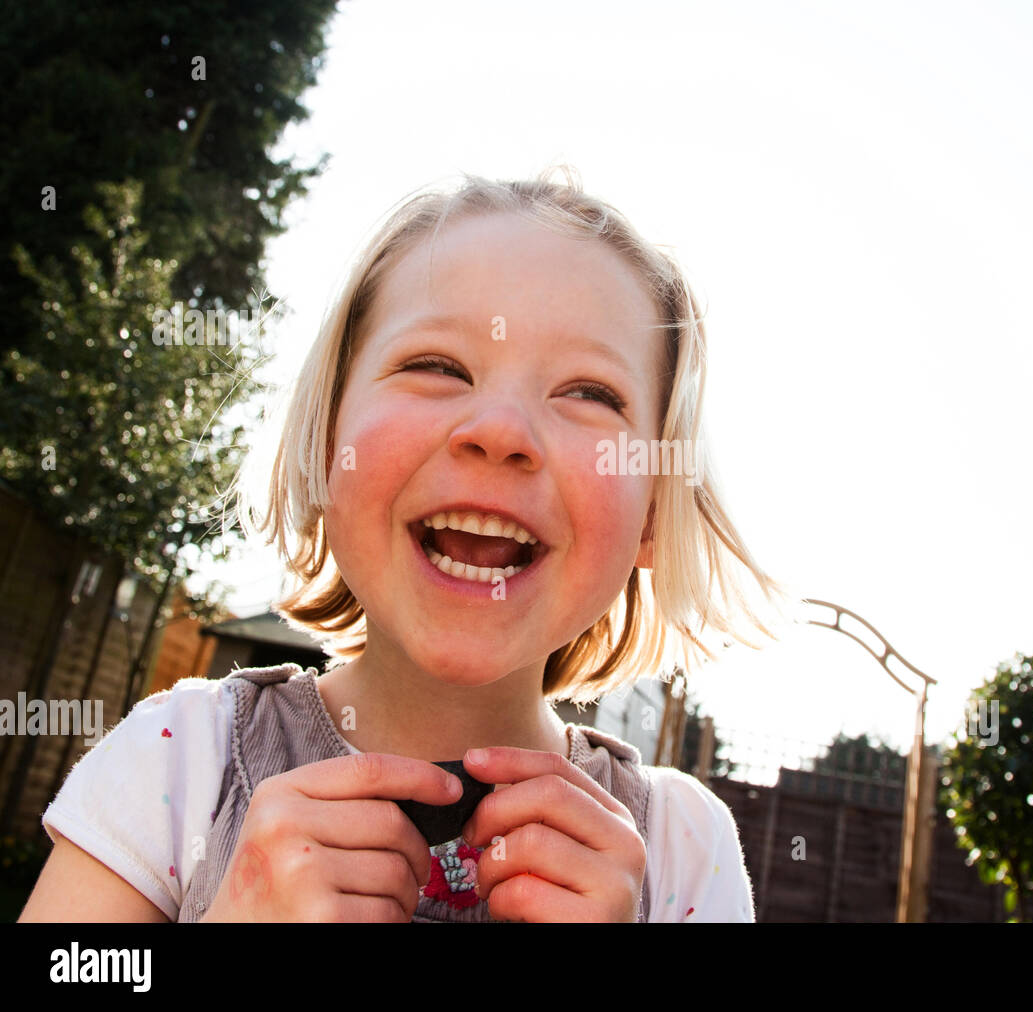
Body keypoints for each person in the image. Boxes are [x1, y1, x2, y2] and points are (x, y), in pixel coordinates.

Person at [20, 166, 786, 922]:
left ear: (653, 510)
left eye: (589, 393)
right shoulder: (179, 762)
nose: (501, 432)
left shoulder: (686, 851)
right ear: (326, 444)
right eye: (435, 366)